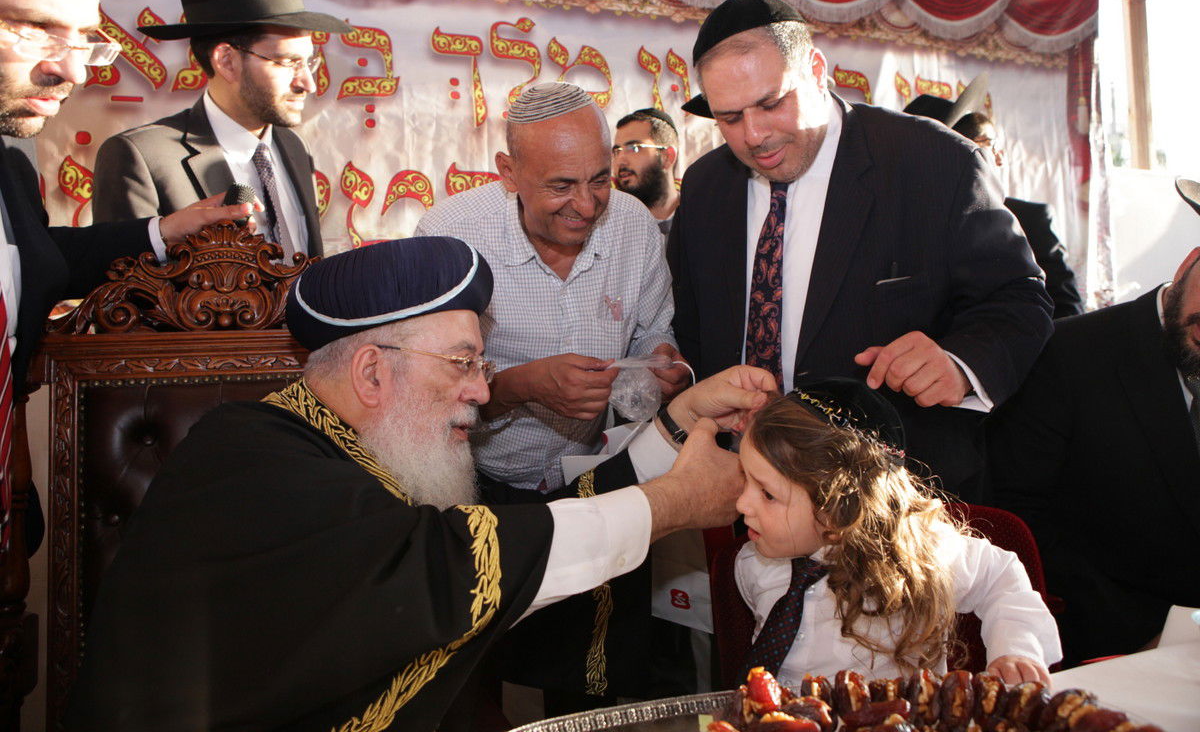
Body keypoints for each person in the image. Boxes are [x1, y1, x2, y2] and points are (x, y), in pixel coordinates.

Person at [67, 235, 769, 730]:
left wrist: (673, 428)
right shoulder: (247, 457)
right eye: (462, 363)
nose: (480, 391)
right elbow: (447, 563)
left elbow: (522, 530)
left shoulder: (380, 452)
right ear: (373, 373)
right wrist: (672, 506)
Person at [669, 0, 1053, 500]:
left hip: (890, 502)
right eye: (729, 117)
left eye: (771, 103)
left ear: (816, 68)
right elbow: (692, 330)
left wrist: (958, 364)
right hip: (742, 495)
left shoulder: (934, 163)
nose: (755, 135)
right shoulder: (705, 186)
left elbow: (1020, 299)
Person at [0, 0, 253, 555]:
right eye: (34, 27)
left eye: (83, 37)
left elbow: (42, 263)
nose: (72, 70)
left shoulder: (9, 168)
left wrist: (163, 232)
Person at [415, 82, 688, 494]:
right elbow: (425, 387)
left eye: (599, 180)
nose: (586, 206)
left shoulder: (634, 226)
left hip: (600, 472)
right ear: (509, 173)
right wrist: (523, 386)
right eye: (561, 187)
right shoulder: (449, 238)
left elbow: (652, 327)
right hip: (479, 483)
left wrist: (657, 358)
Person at [988, 178, 1200, 666]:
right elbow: (1021, 520)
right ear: (1189, 264)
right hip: (1111, 651)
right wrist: (1149, 635)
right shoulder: (1067, 354)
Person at [734, 378, 1060, 685]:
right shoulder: (752, 564)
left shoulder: (916, 554)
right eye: (744, 478)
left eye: (767, 493)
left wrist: (1017, 648)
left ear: (839, 506)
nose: (742, 504)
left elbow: (999, 577)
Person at [91, 0, 344, 258]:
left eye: (309, 62)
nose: (308, 83)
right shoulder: (141, 158)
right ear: (227, 61)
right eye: (289, 62)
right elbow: (126, 291)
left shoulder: (293, 146)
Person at [905, 100, 1085, 319]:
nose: (999, 157)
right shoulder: (907, 223)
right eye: (989, 143)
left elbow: (1067, 311)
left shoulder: (1030, 219)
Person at [613, 107, 680, 234]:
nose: (620, 161)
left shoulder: (702, 215)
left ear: (667, 157)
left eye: (634, 148)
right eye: (616, 151)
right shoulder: (608, 228)